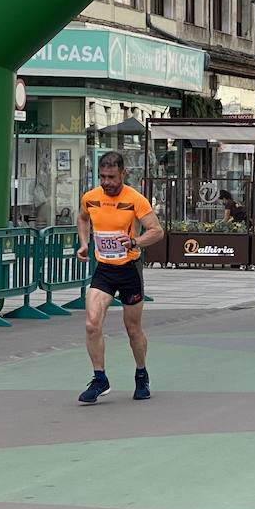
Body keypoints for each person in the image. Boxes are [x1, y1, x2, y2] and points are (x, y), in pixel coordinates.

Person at [75, 150, 166, 404]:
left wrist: (135, 241)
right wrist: (83, 244)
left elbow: (156, 231)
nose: (106, 182)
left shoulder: (135, 199)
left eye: (111, 177)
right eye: (103, 177)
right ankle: (100, 378)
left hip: (129, 269)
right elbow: (83, 219)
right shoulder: (91, 198)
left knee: (132, 329)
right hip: (104, 269)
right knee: (92, 324)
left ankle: (141, 374)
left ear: (123, 174)